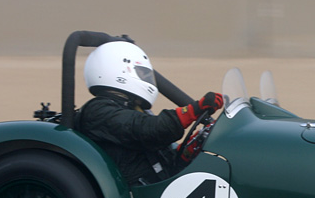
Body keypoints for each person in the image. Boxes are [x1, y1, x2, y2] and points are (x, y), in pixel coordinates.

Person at [75, 40, 223, 185]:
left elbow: (159, 160)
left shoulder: (132, 109)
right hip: (134, 197)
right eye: (143, 74)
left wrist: (187, 152)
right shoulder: (98, 111)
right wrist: (194, 110)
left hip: (156, 187)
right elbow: (151, 130)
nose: (147, 79)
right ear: (118, 71)